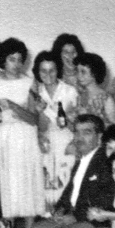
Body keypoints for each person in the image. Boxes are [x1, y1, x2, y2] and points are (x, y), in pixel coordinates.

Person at [0, 37, 46, 228]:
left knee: (28, 189)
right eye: (12, 59)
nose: (16, 64)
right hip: (3, 139)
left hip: (25, 138)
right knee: (7, 189)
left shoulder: (30, 82)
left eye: (19, 59)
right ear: (3, 60)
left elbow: (32, 118)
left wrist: (12, 106)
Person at [30, 50, 79, 196]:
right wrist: (40, 112)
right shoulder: (36, 92)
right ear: (37, 72)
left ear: (58, 70)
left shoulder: (70, 91)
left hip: (66, 140)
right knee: (46, 184)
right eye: (43, 71)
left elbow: (70, 124)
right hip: (44, 142)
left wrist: (46, 110)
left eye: (52, 70)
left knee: (66, 182)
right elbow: (40, 126)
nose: (48, 75)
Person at [74, 52, 115, 125]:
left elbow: (114, 128)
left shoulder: (106, 98)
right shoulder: (80, 97)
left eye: (83, 72)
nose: (79, 75)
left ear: (94, 73)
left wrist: (90, 117)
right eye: (77, 71)